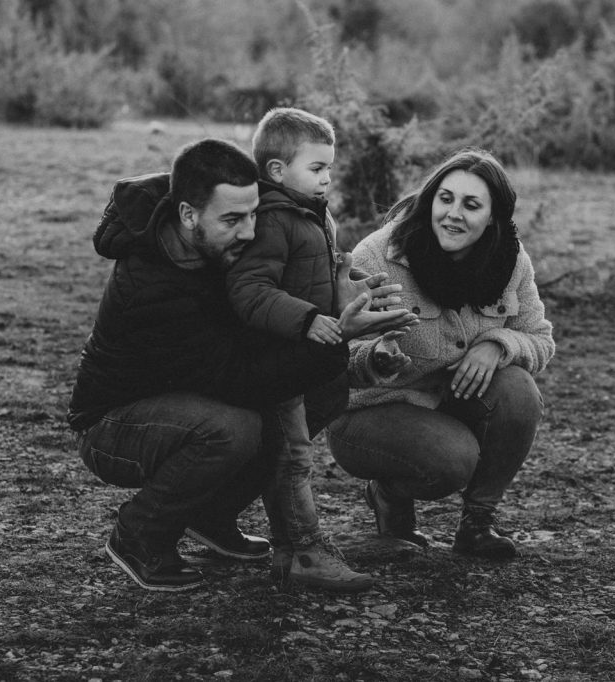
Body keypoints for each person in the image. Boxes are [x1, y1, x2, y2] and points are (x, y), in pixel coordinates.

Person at [67, 138, 415, 592]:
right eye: (232, 219)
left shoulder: (216, 247)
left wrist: (334, 302)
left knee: (321, 395)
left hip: (188, 398)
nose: (250, 231)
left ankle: (210, 517)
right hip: (113, 425)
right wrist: (339, 337)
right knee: (233, 429)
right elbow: (240, 378)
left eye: (254, 214)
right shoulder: (152, 285)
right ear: (188, 214)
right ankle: (139, 533)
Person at [328, 148, 556, 560]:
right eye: (445, 198)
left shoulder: (511, 261)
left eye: (471, 205)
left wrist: (497, 345)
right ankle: (388, 494)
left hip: (448, 401)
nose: (453, 214)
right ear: (430, 198)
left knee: (519, 391)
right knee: (453, 460)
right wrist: (376, 357)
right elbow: (335, 351)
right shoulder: (378, 256)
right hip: (370, 412)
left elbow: (539, 339)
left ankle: (477, 524)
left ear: (493, 217)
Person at [225, 108, 375, 592]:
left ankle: (289, 551)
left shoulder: (311, 214)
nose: (328, 178)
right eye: (317, 168)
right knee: (292, 456)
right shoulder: (272, 220)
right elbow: (249, 289)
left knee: (288, 453)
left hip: (298, 355)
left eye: (330, 167)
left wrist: (349, 290)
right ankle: (306, 550)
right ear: (276, 171)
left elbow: (308, 280)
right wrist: (309, 319)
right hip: (275, 357)